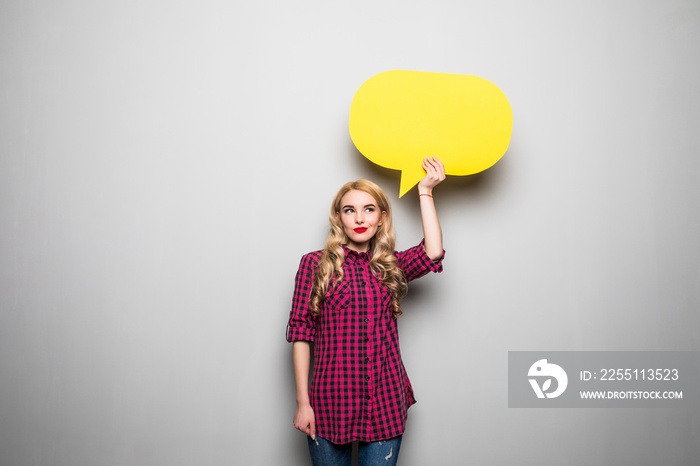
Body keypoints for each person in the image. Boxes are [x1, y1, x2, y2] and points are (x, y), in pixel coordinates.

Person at [286, 157, 446, 466]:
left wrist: (425, 191)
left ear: (381, 218)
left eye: (369, 209)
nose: (360, 218)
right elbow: (301, 334)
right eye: (350, 210)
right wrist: (302, 403)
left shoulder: (391, 266)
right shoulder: (314, 265)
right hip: (330, 402)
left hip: (384, 399)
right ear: (338, 217)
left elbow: (433, 251)